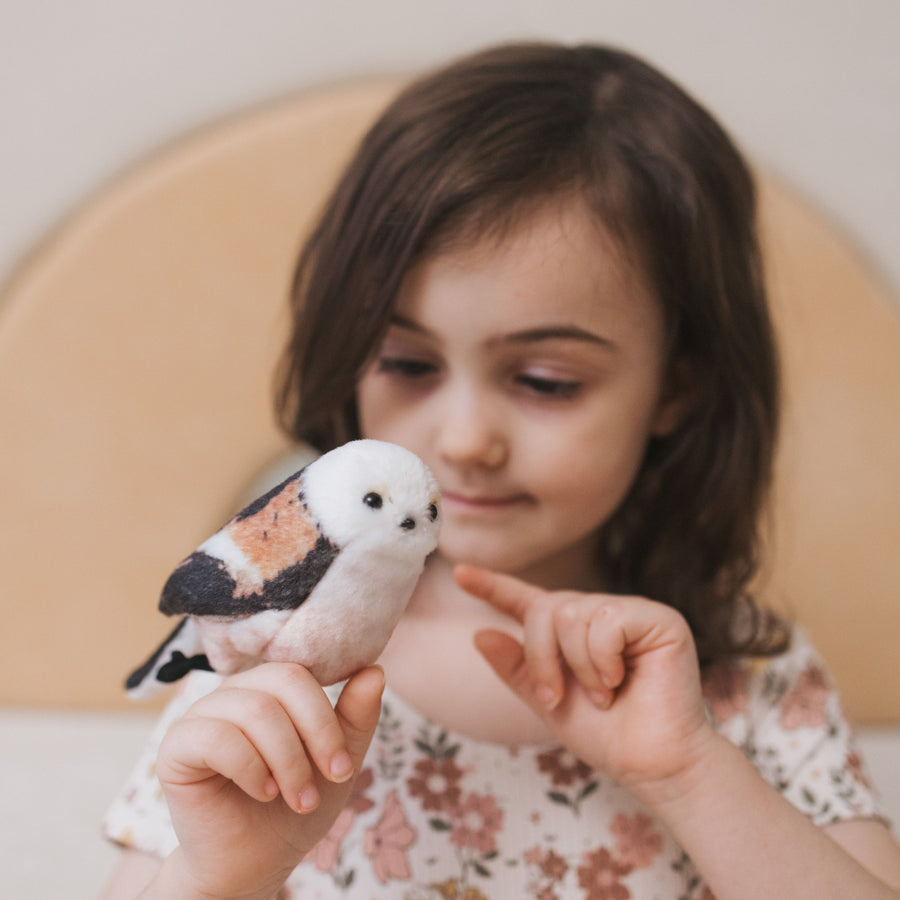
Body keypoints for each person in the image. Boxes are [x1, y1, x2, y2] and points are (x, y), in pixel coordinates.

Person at [101, 42, 900, 899]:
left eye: (545, 381)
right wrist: (221, 874)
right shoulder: (258, 673)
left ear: (676, 387)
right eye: (408, 364)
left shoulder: (752, 680)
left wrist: (691, 774)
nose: (466, 439)